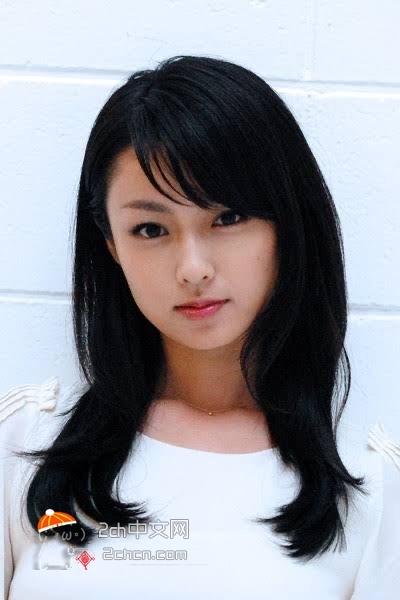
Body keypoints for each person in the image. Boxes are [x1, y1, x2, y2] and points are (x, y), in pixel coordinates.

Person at [1, 55, 399, 599]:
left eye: (227, 218)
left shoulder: (370, 488)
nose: (193, 268)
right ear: (111, 244)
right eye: (150, 229)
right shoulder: (26, 442)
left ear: (288, 226)